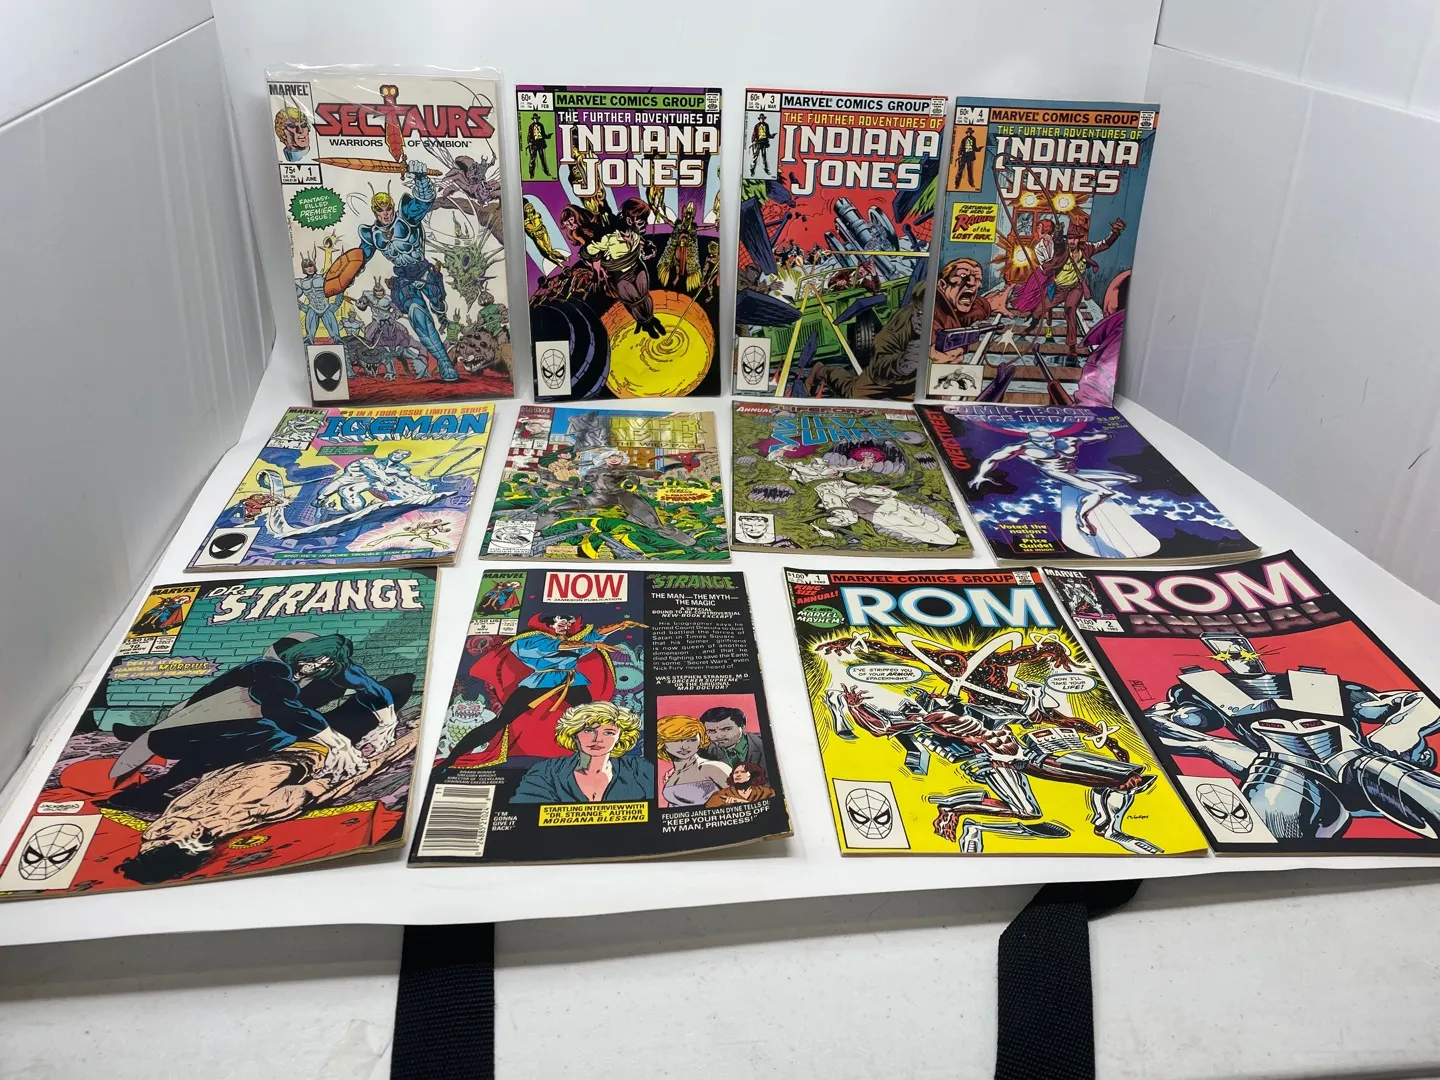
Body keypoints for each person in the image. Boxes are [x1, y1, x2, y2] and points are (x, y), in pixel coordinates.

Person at [511, 702, 653, 803]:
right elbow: (527, 815)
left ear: (620, 738)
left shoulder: (640, 770)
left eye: (609, 733)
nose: (598, 739)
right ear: (573, 734)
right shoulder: (546, 772)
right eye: (589, 731)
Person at [657, 714, 731, 807]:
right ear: (662, 743)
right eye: (676, 740)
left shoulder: (712, 767)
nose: (684, 746)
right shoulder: (672, 775)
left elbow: (742, 799)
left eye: (692, 740)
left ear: (700, 740)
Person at [698, 706, 767, 772]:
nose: (719, 736)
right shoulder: (703, 751)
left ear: (742, 728)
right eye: (711, 731)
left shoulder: (765, 743)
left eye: (726, 729)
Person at [704, 763, 775, 807]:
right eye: (736, 772)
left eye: (743, 772)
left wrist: (742, 802)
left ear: (753, 775)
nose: (738, 775)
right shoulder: (721, 795)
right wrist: (727, 806)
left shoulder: (766, 792)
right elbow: (708, 812)